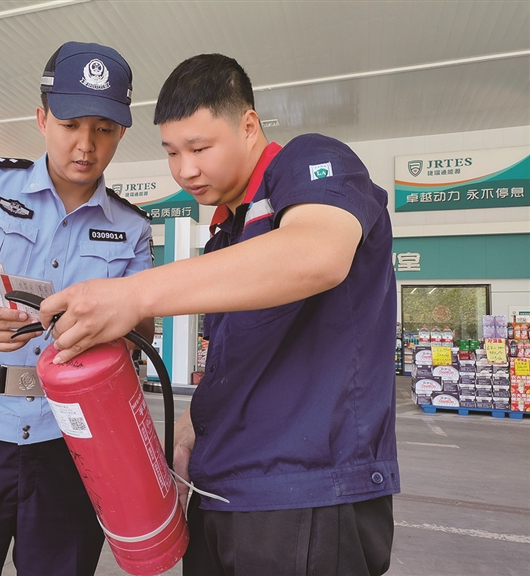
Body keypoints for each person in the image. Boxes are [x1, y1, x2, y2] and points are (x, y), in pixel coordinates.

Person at [40, 53, 399, 576]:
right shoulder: (226, 234)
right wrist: (191, 427)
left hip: (305, 497)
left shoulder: (309, 164)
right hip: (221, 494)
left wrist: (132, 297)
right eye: (170, 152)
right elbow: (249, 357)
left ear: (249, 125)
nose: (185, 169)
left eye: (200, 147)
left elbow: (317, 255)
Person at [0, 41, 154, 576]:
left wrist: (104, 328)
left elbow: (141, 334)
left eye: (104, 130)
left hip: (74, 441)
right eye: (70, 125)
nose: (86, 145)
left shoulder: (132, 227)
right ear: (42, 119)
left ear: (122, 134)